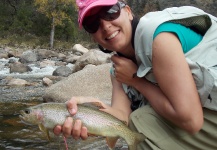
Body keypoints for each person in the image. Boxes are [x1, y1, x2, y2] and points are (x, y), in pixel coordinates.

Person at [54, 0, 217, 149]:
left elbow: (191, 121)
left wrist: (137, 81)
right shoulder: (118, 69)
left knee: (142, 121)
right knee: (136, 124)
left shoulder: (159, 39)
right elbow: (123, 118)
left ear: (128, 11)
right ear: (92, 36)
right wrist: (88, 112)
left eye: (110, 12)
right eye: (92, 23)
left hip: (198, 117)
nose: (105, 25)